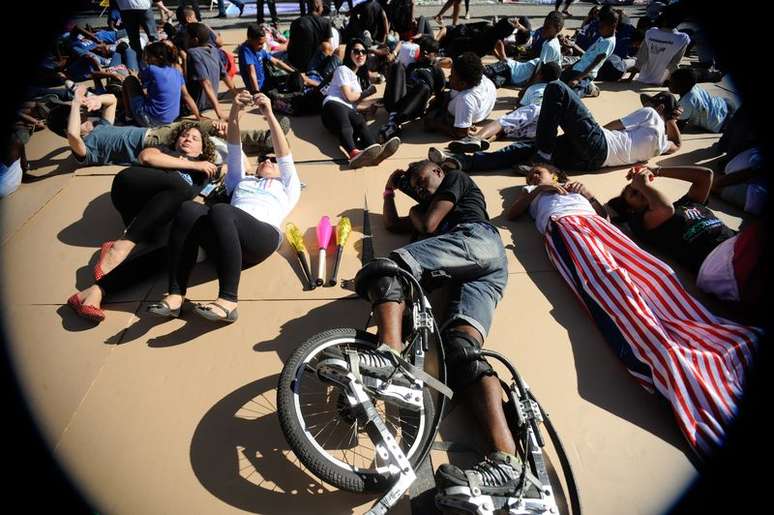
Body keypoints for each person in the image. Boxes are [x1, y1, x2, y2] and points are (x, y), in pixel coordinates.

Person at [506, 163, 760, 456]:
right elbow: (514, 213)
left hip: (600, 227)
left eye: (538, 172)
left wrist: (588, 195)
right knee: (609, 281)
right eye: (530, 175)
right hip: (566, 227)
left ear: (557, 172)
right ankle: (662, 350)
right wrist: (538, 189)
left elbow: (605, 216)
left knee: (649, 274)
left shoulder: (575, 188)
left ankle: (698, 330)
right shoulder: (534, 192)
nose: (532, 176)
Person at [348, 159, 520, 503]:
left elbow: (427, 223)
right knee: (460, 352)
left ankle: (390, 358)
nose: (416, 183)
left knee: (386, 270)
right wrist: (389, 191)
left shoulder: (454, 178)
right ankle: (508, 465)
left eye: (420, 176)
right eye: (411, 181)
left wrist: (418, 209)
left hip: (474, 240)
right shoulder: (423, 202)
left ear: (438, 170)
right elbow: (395, 223)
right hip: (483, 267)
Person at [146, 92, 299, 323]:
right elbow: (234, 146)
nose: (268, 160)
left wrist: (268, 113)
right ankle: (176, 295)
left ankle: (228, 301)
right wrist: (235, 111)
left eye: (273, 160)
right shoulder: (241, 180)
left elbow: (283, 152)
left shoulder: (287, 186)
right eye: (263, 159)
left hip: (261, 238)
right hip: (226, 239)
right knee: (189, 209)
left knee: (222, 210)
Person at [431, 81, 681, 173]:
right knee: (525, 149)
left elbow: (613, 125)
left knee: (557, 89)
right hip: (593, 164)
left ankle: (543, 153)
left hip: (599, 142)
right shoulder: (660, 145)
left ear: (657, 106)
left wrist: (583, 128)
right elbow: (677, 145)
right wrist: (672, 121)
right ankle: (463, 163)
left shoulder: (650, 114)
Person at [607, 165, 764, 304]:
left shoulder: (684, 204)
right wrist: (642, 184)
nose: (640, 190)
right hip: (720, 264)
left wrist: (656, 170)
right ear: (631, 209)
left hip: (737, 245)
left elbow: (705, 176)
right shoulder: (640, 222)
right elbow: (665, 209)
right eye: (634, 192)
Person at [47, 88, 285, 167]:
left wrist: (98, 100)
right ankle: (264, 138)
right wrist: (76, 102)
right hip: (151, 143)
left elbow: (113, 101)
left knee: (209, 130)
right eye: (80, 117)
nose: (86, 117)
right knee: (204, 133)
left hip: (157, 132)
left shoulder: (100, 127)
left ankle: (263, 137)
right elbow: (71, 134)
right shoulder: (84, 149)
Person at [321, 39, 400, 168]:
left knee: (360, 122)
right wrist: (366, 93)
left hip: (347, 109)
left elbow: (355, 105)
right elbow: (349, 96)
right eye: (356, 51)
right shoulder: (342, 70)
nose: (361, 54)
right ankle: (353, 153)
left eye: (364, 52)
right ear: (349, 54)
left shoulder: (357, 81)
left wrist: (372, 106)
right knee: (345, 122)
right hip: (332, 108)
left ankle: (375, 150)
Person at [450, 61, 561, 153]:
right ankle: (486, 141)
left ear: (539, 74)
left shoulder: (534, 88)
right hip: (546, 125)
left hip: (535, 110)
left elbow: (521, 106)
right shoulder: (557, 90)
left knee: (502, 122)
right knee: (506, 130)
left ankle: (475, 138)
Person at [377, 36, 445, 142]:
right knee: (397, 65)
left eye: (429, 51)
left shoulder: (436, 70)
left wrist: (431, 112)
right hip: (399, 99)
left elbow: (440, 95)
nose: (424, 52)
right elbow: (398, 83)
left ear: (436, 54)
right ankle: (394, 123)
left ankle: (394, 122)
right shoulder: (412, 66)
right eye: (423, 49)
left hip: (415, 104)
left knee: (424, 86)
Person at [121, 41, 199, 127]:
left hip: (149, 119)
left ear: (160, 57)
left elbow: (139, 79)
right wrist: (198, 116)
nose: (148, 59)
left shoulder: (152, 69)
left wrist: (134, 76)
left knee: (129, 80)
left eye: (150, 56)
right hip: (170, 119)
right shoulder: (176, 72)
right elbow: (186, 96)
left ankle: (128, 117)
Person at [424, 52, 496, 140]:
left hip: (473, 114)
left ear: (462, 83)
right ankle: (463, 120)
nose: (449, 77)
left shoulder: (465, 99)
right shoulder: (480, 78)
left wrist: (436, 124)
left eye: (452, 76)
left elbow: (461, 133)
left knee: (430, 117)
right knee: (438, 100)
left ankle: (459, 121)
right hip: (481, 109)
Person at [559, 7, 618, 97]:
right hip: (578, 67)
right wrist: (572, 65)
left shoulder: (608, 42)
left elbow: (594, 63)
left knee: (570, 95)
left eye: (602, 27)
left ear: (613, 26)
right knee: (559, 82)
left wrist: (578, 78)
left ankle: (590, 89)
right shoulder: (603, 37)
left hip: (587, 73)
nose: (599, 29)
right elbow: (587, 55)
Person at [624, 5, 689, 85]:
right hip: (661, 82)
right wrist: (668, 82)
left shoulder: (651, 33)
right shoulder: (683, 38)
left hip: (643, 79)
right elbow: (675, 63)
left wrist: (630, 78)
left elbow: (641, 58)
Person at [185, 23, 237, 121]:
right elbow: (225, 75)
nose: (185, 40)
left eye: (187, 37)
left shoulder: (193, 53)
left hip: (197, 105)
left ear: (195, 40)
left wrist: (219, 113)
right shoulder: (213, 49)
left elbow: (206, 83)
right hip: (209, 102)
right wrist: (236, 95)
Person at [665, 68, 736, 133]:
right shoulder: (694, 87)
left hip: (721, 123)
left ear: (680, 86)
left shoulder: (686, 103)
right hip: (725, 104)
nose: (668, 84)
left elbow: (677, 127)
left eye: (671, 82)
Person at [238, 24, 300, 95]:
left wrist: (292, 71)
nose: (262, 46)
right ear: (250, 39)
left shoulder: (259, 49)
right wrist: (257, 92)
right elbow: (252, 72)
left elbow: (276, 62)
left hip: (265, 82)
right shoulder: (246, 51)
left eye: (263, 43)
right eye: (260, 44)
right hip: (258, 87)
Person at [287, 0, 338, 75]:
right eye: (322, 7)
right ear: (318, 7)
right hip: (316, 67)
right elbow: (328, 48)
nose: (323, 9)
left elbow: (290, 47)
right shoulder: (326, 22)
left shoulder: (296, 22)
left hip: (298, 64)